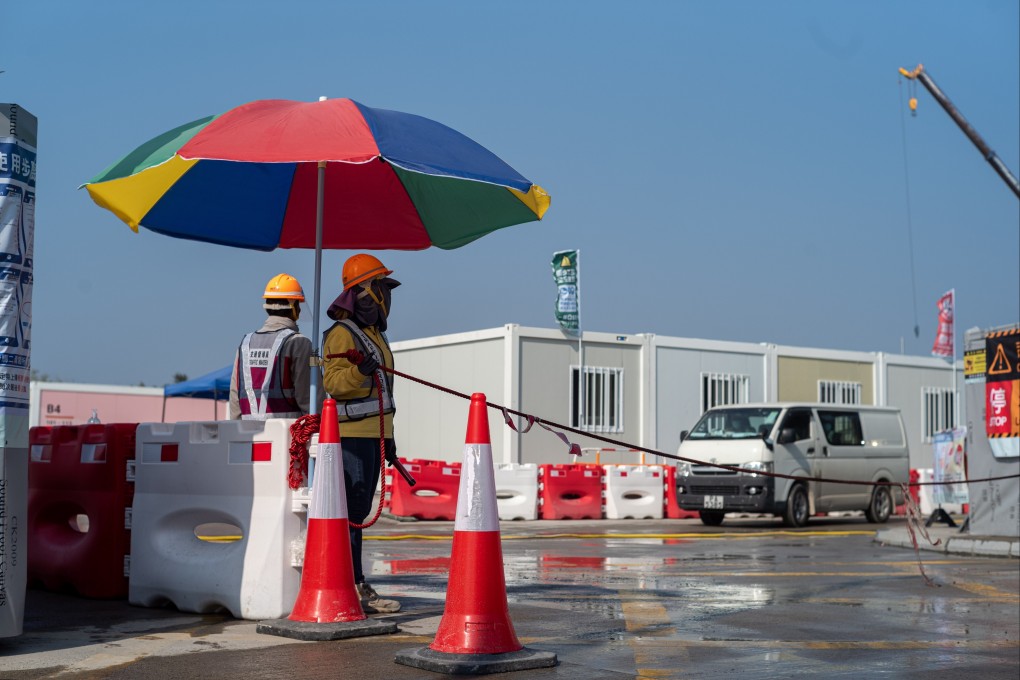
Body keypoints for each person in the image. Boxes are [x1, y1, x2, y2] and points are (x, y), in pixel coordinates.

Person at [322, 254, 402, 614]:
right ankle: (352, 584)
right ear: (367, 292)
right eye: (383, 287)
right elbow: (334, 383)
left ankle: (353, 581)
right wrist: (359, 373)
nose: (388, 294)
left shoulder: (374, 334)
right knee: (353, 514)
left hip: (373, 435)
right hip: (352, 438)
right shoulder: (342, 333)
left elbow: (384, 392)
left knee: (359, 512)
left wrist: (390, 439)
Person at [229, 274, 313, 420]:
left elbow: (235, 397)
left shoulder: (245, 343)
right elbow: (308, 398)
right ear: (293, 306)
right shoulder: (298, 343)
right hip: (288, 436)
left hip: (250, 438)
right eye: (298, 305)